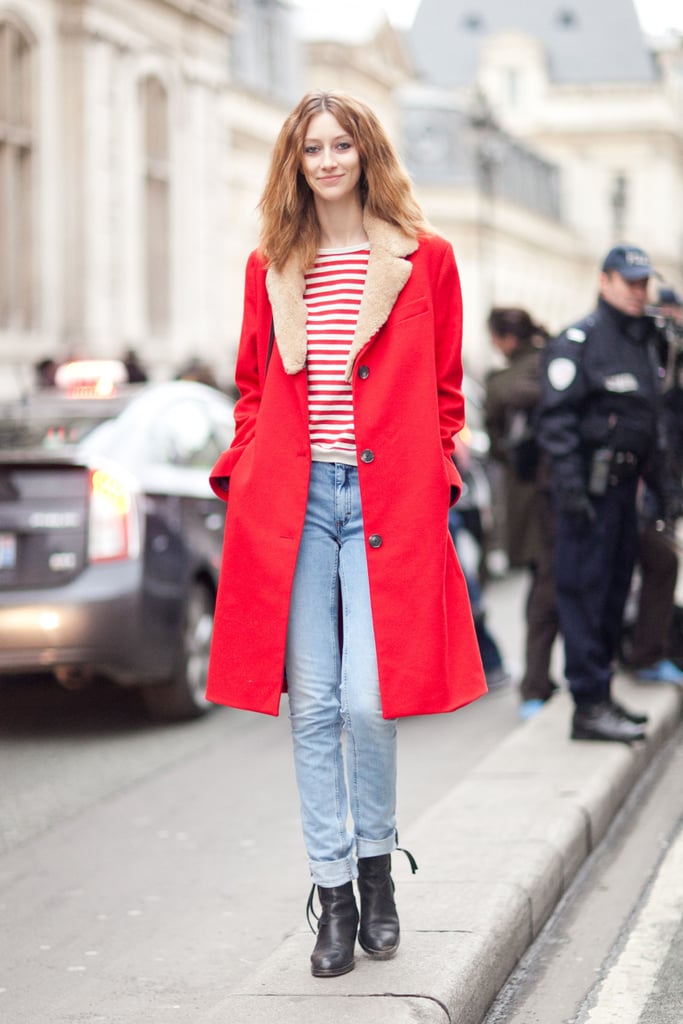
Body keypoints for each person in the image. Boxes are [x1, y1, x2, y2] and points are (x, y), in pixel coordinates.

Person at [205, 91, 487, 978]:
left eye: (341, 146)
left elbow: (445, 392)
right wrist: (247, 469)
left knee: (370, 702)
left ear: (366, 155)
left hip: (385, 503)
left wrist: (433, 474)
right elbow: (253, 385)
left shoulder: (422, 260)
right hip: (296, 503)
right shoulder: (270, 266)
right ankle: (330, 895)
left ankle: (377, 875)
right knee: (315, 707)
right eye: (311, 149)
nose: (327, 161)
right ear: (294, 162)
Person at [537, 244, 681, 743]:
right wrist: (573, 492)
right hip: (587, 496)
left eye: (644, 283)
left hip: (625, 496)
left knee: (615, 593)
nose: (639, 292)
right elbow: (556, 423)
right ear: (604, 281)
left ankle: (601, 695)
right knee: (584, 597)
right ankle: (588, 703)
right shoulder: (579, 341)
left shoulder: (642, 342)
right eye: (630, 282)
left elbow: (653, 423)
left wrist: (664, 492)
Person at [484, 308, 561, 720]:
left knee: (546, 588)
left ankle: (536, 682)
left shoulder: (508, 379)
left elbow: (497, 435)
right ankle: (539, 681)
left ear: (505, 339)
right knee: (549, 587)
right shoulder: (552, 359)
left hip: (536, 497)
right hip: (553, 495)